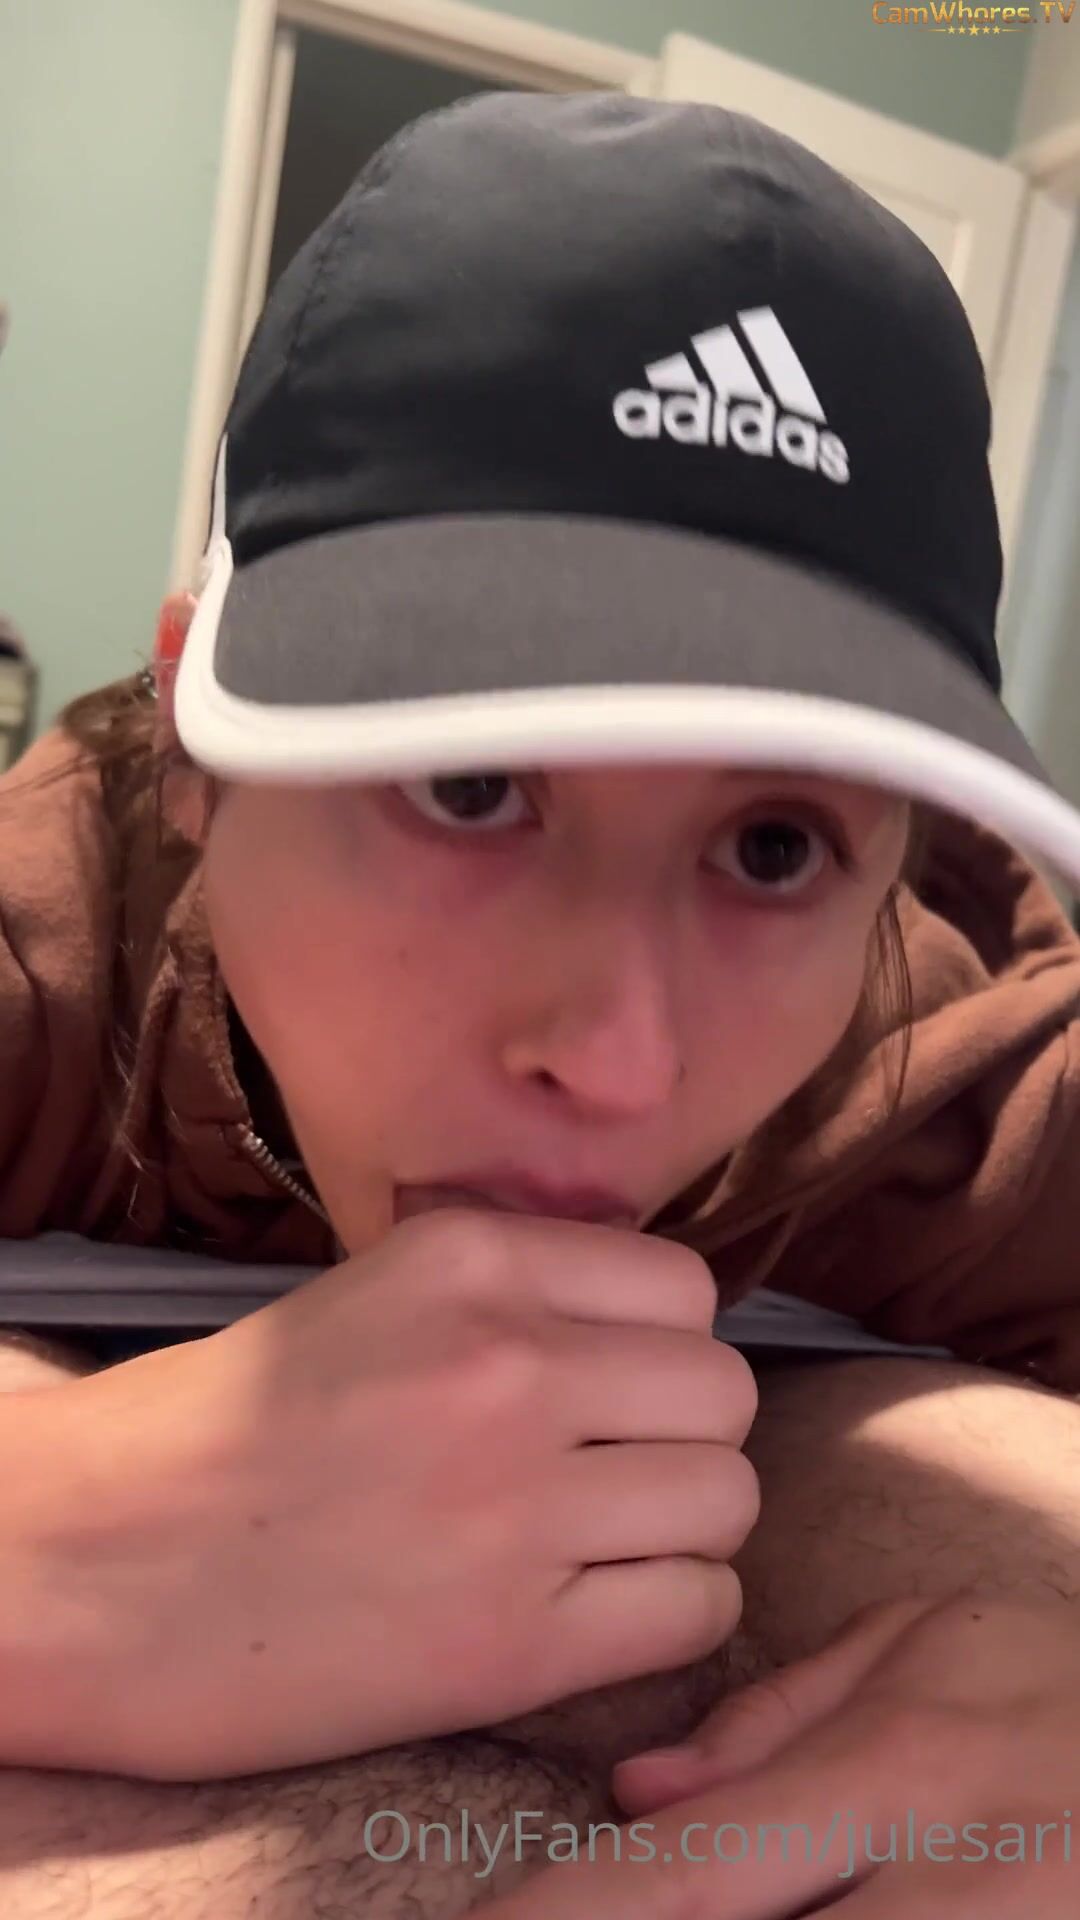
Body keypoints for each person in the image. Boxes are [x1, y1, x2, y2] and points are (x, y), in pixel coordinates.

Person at [2, 90, 1080, 1915]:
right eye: (472, 785)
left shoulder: (943, 1076)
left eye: (773, 847)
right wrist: (44, 1538)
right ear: (195, 740)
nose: (618, 1055)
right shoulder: (42, 956)